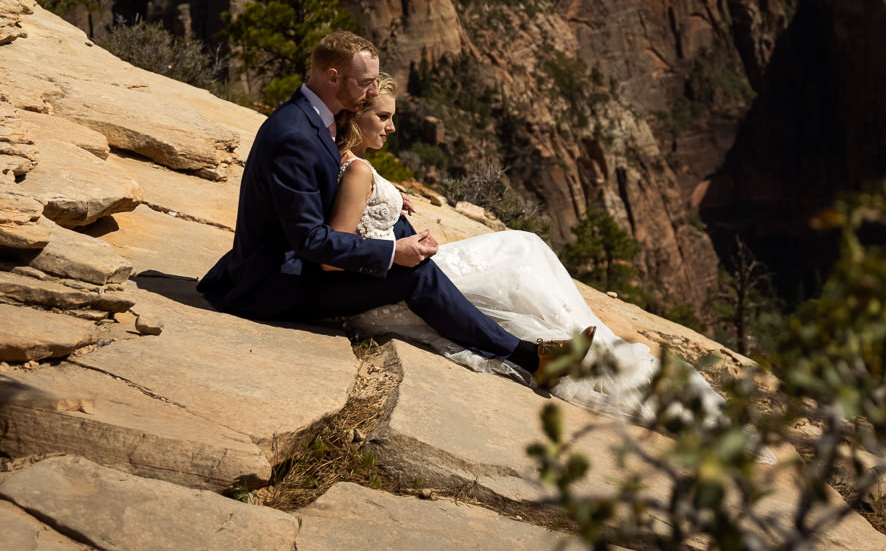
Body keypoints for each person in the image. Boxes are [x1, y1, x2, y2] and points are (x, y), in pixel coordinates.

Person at [196, 29, 577, 384]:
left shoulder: (312, 117)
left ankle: (499, 335)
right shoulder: (294, 135)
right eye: (365, 83)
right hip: (277, 284)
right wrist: (395, 254)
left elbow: (326, 183)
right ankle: (530, 357)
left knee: (396, 227)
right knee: (413, 274)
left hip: (294, 266)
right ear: (332, 77)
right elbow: (311, 241)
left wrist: (383, 194)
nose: (373, 89)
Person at [331, 79, 720, 422]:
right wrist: (397, 244)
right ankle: (548, 352)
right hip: (391, 276)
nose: (392, 126)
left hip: (397, 266)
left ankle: (566, 344)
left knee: (522, 244)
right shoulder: (356, 169)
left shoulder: (352, 162)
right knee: (514, 261)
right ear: (356, 114)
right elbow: (339, 247)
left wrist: (390, 199)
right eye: (383, 116)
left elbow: (356, 215)